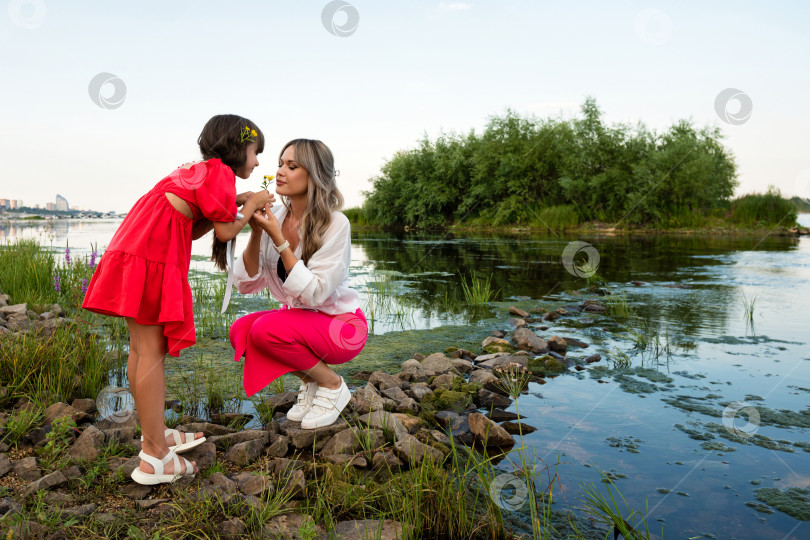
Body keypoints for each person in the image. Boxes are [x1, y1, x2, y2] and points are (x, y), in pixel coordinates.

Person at [82, 114, 275, 484]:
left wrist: (237, 200)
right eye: (255, 152)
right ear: (238, 148)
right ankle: (154, 458)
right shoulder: (220, 171)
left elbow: (195, 219)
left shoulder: (200, 171)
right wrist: (253, 206)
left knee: (140, 350)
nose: (258, 161)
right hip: (151, 256)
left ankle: (154, 434)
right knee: (151, 354)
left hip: (135, 250)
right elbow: (225, 229)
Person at [229, 138, 368, 430]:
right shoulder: (274, 216)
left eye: (291, 166)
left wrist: (279, 240)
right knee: (241, 329)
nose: (280, 171)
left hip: (343, 328)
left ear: (314, 175)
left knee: (267, 329)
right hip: (303, 323)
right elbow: (245, 284)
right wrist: (256, 232)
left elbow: (315, 294)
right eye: (280, 164)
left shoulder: (336, 223)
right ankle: (312, 381)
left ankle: (332, 385)